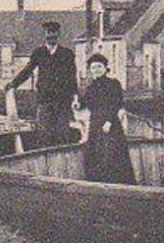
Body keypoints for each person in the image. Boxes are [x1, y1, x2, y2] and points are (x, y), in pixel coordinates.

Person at [7, 19, 79, 145]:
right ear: (44, 34)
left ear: (58, 34)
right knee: (43, 131)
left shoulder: (67, 54)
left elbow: (72, 77)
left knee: (62, 132)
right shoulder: (38, 53)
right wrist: (14, 84)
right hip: (45, 99)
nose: (51, 35)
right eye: (48, 32)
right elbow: (28, 70)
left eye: (54, 32)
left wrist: (75, 97)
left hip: (62, 100)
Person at [77, 53, 135, 184]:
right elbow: (85, 103)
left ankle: (118, 184)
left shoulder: (113, 84)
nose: (96, 70)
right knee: (95, 155)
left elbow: (116, 103)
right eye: (93, 67)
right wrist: (77, 102)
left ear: (105, 68)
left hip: (111, 124)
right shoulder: (90, 87)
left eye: (99, 66)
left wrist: (109, 121)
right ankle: (98, 184)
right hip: (95, 124)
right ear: (90, 70)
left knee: (112, 155)